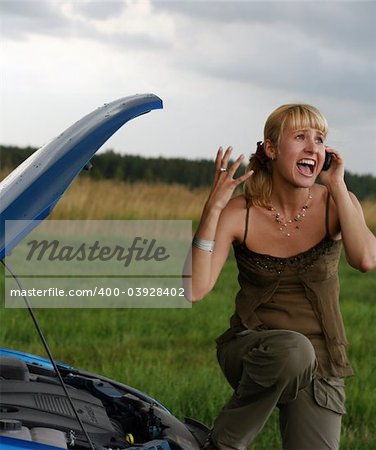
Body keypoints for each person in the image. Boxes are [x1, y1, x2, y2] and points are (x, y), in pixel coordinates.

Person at [188, 104, 376, 450]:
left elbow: (365, 259)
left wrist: (337, 185)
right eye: (300, 137)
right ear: (271, 149)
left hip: (321, 363)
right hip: (254, 349)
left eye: (319, 139)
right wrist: (213, 209)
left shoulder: (336, 202)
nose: (312, 147)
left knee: (304, 355)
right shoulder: (240, 212)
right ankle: (222, 444)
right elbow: (196, 289)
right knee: (294, 351)